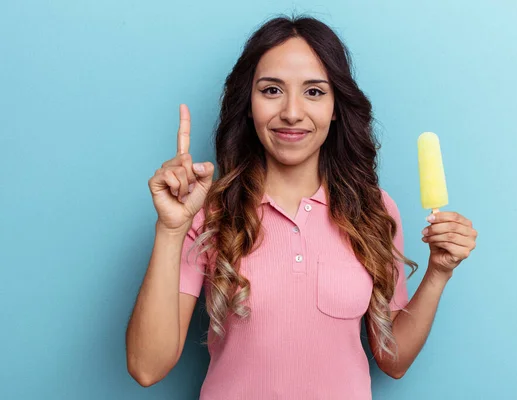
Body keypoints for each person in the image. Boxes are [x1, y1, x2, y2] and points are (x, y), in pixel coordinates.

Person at [125, 15, 478, 400]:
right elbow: (146, 367)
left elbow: (393, 360)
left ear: (336, 107)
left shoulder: (374, 209)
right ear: (248, 104)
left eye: (314, 92)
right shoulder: (209, 210)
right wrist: (171, 229)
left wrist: (439, 272)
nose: (292, 112)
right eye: (272, 90)